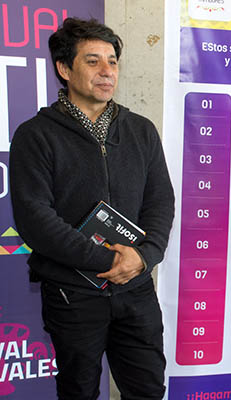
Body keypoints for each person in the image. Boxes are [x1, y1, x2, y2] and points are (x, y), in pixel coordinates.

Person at [9, 18, 175, 399]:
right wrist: (107, 258)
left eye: (112, 61)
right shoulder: (36, 135)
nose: (107, 71)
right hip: (73, 294)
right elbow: (35, 218)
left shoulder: (141, 131)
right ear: (64, 69)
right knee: (79, 392)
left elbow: (160, 202)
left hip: (135, 288)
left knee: (148, 390)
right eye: (93, 61)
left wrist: (143, 257)